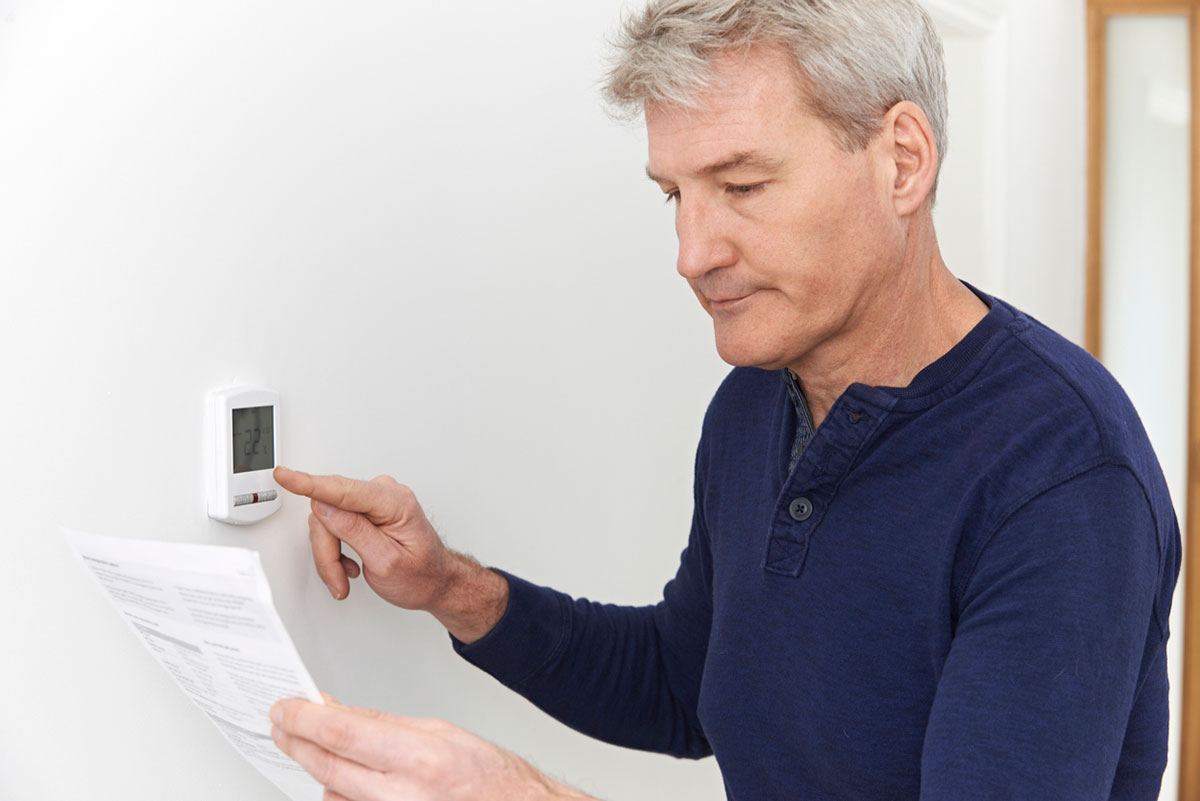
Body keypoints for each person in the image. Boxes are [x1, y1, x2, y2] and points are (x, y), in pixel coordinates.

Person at [267, 1, 1182, 798]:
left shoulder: (1063, 477)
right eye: (675, 194)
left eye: (742, 186)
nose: (692, 253)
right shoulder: (753, 405)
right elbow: (686, 680)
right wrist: (450, 588)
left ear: (902, 162)